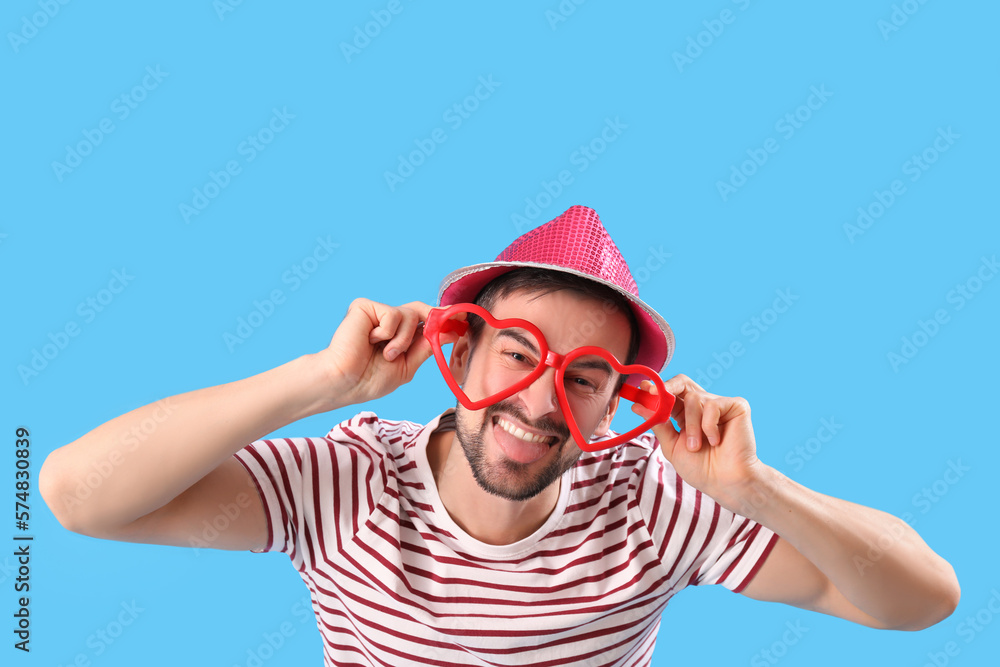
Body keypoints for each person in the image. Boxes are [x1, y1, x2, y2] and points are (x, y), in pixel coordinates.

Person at [40, 205, 959, 666]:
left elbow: (921, 602)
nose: (539, 400)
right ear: (462, 348)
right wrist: (318, 381)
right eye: (519, 352)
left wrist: (754, 488)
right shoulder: (351, 481)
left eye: (585, 377)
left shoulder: (654, 502)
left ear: (613, 402)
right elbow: (78, 494)